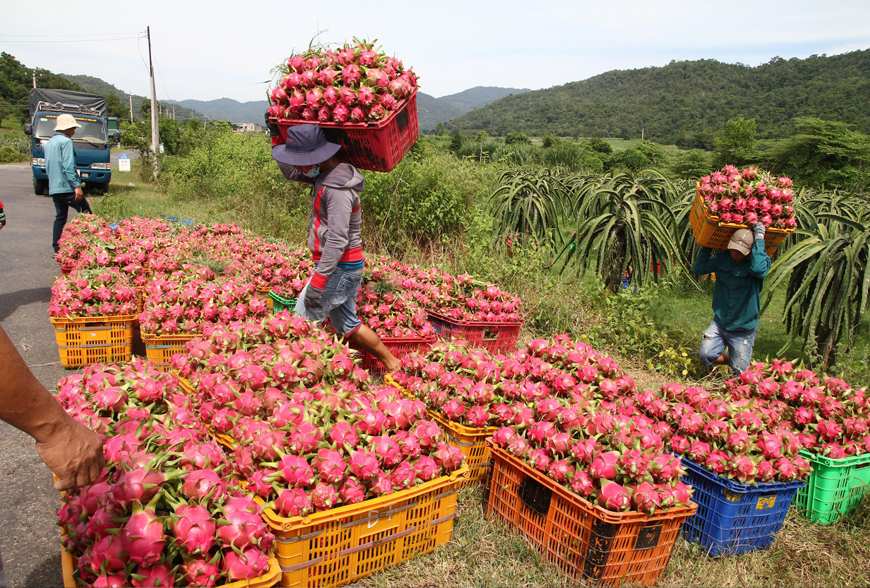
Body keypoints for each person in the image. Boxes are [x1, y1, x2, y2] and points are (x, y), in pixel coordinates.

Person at [271, 123, 400, 373]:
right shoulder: (325, 173)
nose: (298, 167)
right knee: (348, 325)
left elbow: (338, 239)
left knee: (300, 324)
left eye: (302, 160)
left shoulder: (337, 189)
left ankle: (301, 379)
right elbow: (291, 172)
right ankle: (394, 365)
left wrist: (319, 281)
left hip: (338, 268)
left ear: (319, 157)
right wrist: (276, 135)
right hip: (341, 268)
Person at [693, 222, 771, 375]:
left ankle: (738, 364)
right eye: (734, 250)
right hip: (720, 322)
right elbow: (699, 268)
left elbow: (758, 269)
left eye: (741, 252)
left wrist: (760, 239)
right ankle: (732, 360)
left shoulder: (757, 264)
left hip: (743, 329)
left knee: (739, 375)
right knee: (706, 354)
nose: (736, 254)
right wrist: (708, 243)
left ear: (750, 251)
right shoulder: (724, 258)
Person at [45, 113, 92, 254]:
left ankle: (57, 249)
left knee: (60, 217)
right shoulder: (66, 142)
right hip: (67, 187)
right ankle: (89, 244)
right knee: (87, 215)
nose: (74, 131)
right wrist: (76, 186)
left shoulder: (50, 143)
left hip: (54, 187)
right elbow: (68, 166)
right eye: (72, 128)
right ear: (66, 128)